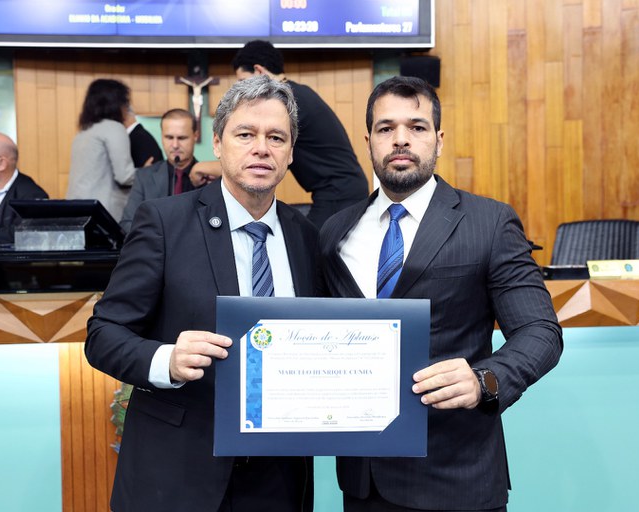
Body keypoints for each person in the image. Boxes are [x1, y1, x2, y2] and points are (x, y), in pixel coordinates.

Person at [318, 76, 563, 511]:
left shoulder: (489, 222)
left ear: (439, 139)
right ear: (368, 141)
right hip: (363, 482)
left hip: (457, 477)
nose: (401, 139)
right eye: (386, 128)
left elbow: (540, 331)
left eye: (416, 127)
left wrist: (485, 380)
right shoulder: (335, 231)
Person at [84, 75, 317, 512]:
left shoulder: (305, 236)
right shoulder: (163, 222)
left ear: (290, 152)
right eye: (245, 134)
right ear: (217, 143)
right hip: (176, 475)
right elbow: (103, 335)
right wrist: (166, 360)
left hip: (278, 478)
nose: (261, 148)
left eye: (276, 137)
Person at [232, 39, 369, 229]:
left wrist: (204, 168)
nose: (243, 91)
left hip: (339, 194)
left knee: (307, 245)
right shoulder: (298, 93)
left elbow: (257, 158)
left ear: (259, 71)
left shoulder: (288, 102)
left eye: (243, 81)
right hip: (341, 191)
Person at [120, 108, 217, 232]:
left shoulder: (210, 178)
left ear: (195, 136)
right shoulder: (144, 177)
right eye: (169, 137)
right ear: (162, 136)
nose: (175, 145)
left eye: (182, 138)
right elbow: (127, 224)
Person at [66, 78, 141, 222]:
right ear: (116, 103)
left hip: (75, 209)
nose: (127, 107)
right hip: (102, 211)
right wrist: (149, 172)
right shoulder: (114, 128)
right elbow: (124, 176)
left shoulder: (84, 132)